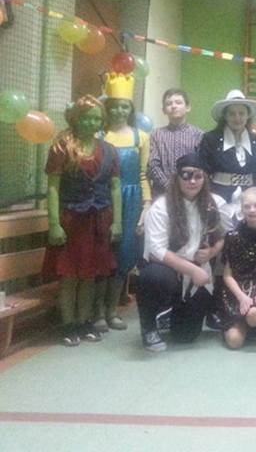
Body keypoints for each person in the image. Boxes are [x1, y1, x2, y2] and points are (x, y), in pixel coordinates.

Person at [45, 96, 122, 346]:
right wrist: (54, 224)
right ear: (75, 119)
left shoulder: (109, 150)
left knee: (90, 275)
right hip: (71, 221)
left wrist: (117, 222)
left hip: (100, 220)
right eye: (86, 118)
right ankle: (68, 325)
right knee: (69, 276)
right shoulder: (62, 147)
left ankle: (84, 321)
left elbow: (115, 188)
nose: (92, 123)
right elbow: (53, 187)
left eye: (97, 119)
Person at [138, 153, 229, 352]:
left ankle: (170, 313)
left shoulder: (215, 203)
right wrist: (192, 270)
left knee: (185, 336)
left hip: (197, 272)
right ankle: (149, 327)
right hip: (167, 268)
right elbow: (156, 250)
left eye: (198, 176)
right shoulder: (161, 207)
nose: (192, 181)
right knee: (153, 277)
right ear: (177, 177)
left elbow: (227, 235)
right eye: (186, 175)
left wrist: (212, 252)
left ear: (204, 178)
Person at [95, 72, 152, 332]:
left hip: (132, 199)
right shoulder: (99, 135)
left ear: (131, 109)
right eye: (115, 106)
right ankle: (97, 311)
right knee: (102, 254)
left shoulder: (141, 137)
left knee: (124, 254)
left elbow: (142, 174)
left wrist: (146, 205)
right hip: (102, 200)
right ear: (107, 107)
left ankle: (112, 310)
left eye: (125, 106)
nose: (120, 111)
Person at [218, 187, 256, 349]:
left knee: (253, 315)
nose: (252, 210)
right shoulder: (232, 236)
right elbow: (227, 276)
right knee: (234, 341)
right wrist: (241, 297)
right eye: (247, 206)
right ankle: (242, 326)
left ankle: (255, 323)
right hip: (237, 291)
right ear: (241, 208)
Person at [199, 89, 256, 203]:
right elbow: (203, 173)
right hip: (218, 198)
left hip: (250, 201)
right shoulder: (210, 139)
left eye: (241, 113)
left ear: (248, 115)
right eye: (232, 114)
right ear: (225, 116)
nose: (237, 118)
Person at [148, 88, 204, 198]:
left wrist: (187, 186)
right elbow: (153, 165)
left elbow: (201, 166)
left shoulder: (199, 135)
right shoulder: (156, 135)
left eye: (178, 102)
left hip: (191, 193)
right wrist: (169, 187)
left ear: (188, 107)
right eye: (169, 104)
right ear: (164, 110)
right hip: (163, 194)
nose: (174, 106)